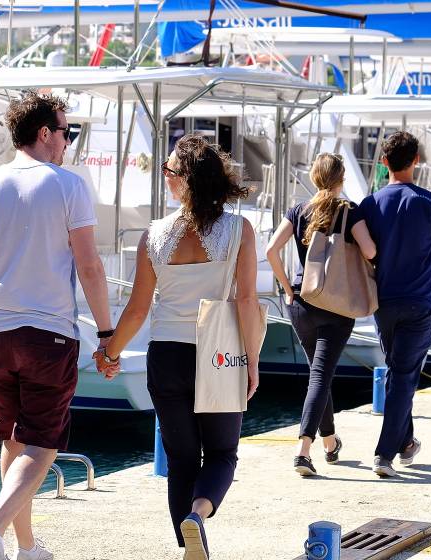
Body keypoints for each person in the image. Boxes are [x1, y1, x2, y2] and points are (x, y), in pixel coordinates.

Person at [0, 91, 115, 560]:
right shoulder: (68, 185)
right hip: (48, 334)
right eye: (66, 132)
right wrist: (105, 334)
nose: (67, 142)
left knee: (12, 439)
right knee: (43, 444)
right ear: (44, 133)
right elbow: (90, 267)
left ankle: (25, 547)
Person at [99, 134, 262, 560]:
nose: (166, 176)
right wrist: (253, 361)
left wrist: (111, 353)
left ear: (187, 180)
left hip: (166, 354)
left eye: (171, 170)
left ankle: (188, 542)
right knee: (223, 453)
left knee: (181, 460)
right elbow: (246, 301)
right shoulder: (239, 231)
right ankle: (199, 516)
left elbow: (136, 309)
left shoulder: (154, 235)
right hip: (218, 351)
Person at [357, 131, 431, 478]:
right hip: (419, 304)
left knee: (398, 375)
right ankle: (384, 454)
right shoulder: (430, 202)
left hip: (384, 304)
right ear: (416, 160)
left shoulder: (370, 204)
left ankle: (405, 442)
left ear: (384, 162)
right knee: (402, 378)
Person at [264, 153, 377, 477]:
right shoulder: (347, 211)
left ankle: (329, 442)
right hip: (338, 307)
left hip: (301, 301)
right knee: (320, 375)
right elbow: (370, 251)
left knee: (319, 373)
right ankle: (303, 451)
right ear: (341, 179)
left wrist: (287, 288)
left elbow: (271, 250)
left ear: (314, 178)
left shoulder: (299, 211)